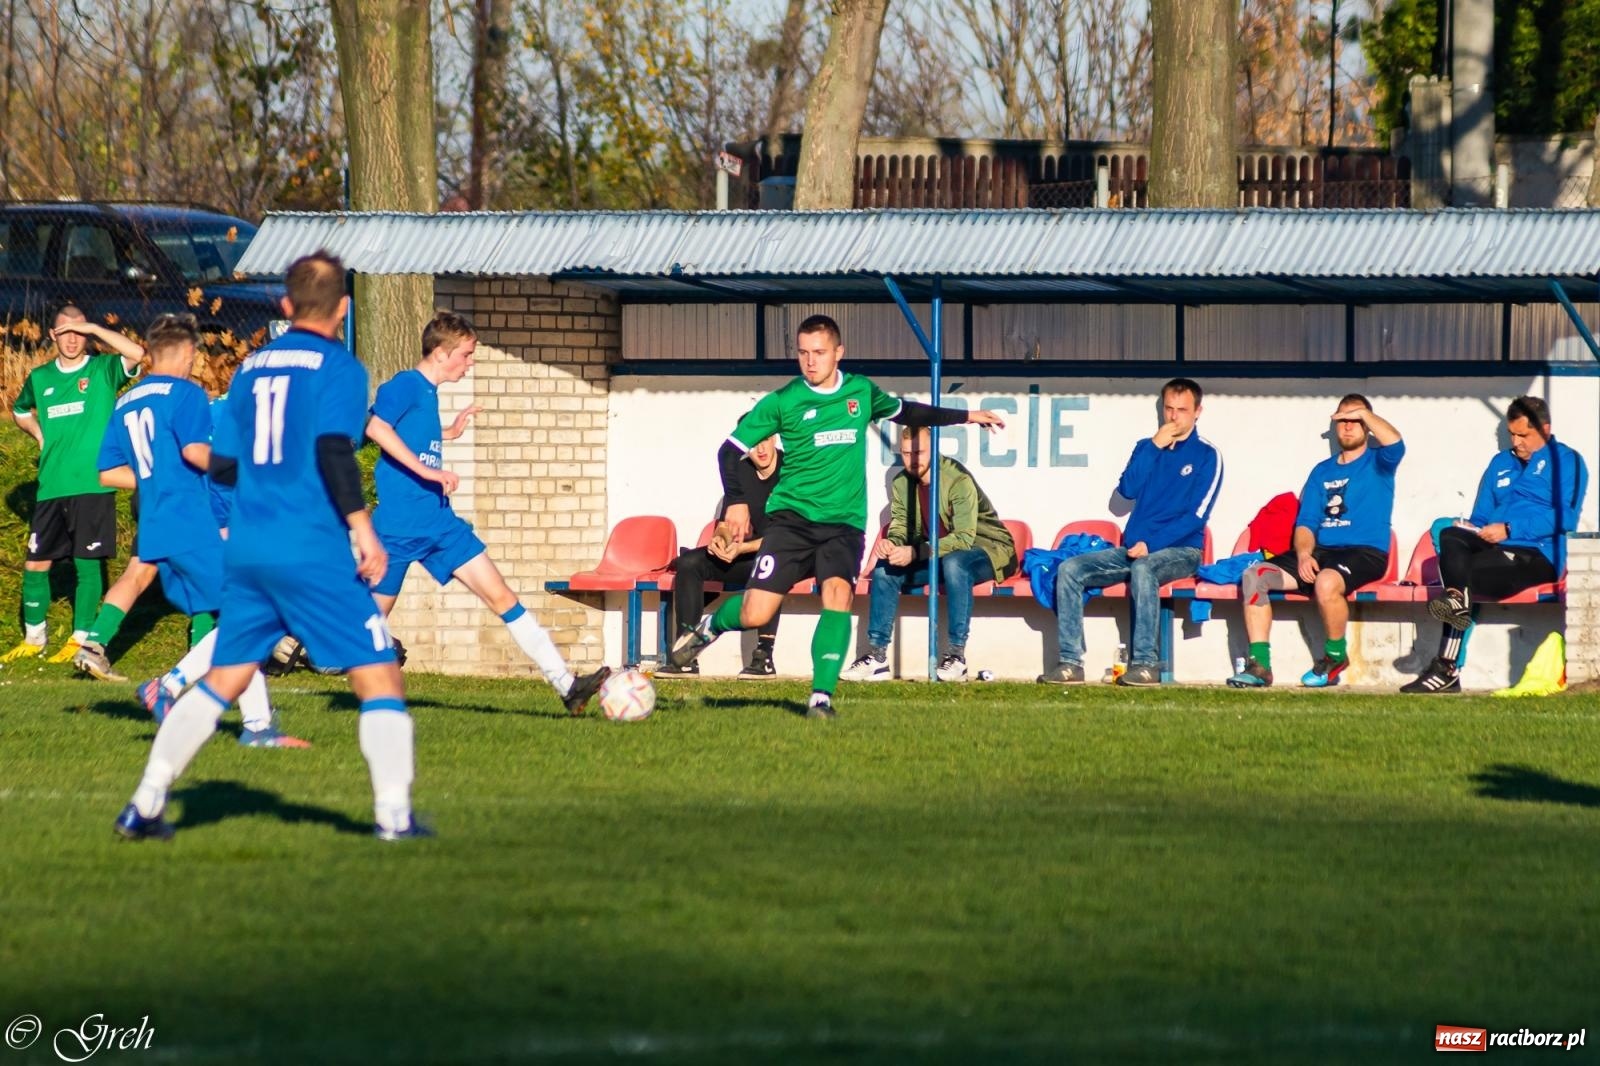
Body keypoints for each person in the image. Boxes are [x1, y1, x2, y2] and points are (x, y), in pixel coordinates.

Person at [114, 251, 423, 842]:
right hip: (310, 545)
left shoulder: (251, 368)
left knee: (222, 679)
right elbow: (335, 451)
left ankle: (145, 803)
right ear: (344, 307)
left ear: (284, 306)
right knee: (379, 674)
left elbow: (224, 465)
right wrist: (362, 527)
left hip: (249, 547)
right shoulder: (340, 367)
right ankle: (394, 819)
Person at [666, 314, 1005, 718]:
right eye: (803, 353)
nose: (810, 361)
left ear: (838, 353)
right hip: (790, 521)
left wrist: (967, 416)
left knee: (838, 597)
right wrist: (736, 500)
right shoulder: (783, 401)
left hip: (843, 525)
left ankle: (820, 697)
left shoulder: (861, 392)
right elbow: (728, 451)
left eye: (819, 353)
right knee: (756, 611)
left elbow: (909, 413)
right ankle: (709, 628)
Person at [363, 310, 609, 713]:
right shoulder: (406, 384)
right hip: (399, 527)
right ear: (441, 353)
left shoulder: (428, 393)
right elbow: (376, 428)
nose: (471, 361)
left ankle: (568, 686)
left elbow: (409, 432)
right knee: (370, 621)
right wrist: (428, 470)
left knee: (502, 597)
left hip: (440, 524)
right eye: (466, 353)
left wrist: (448, 433)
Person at [94, 314, 303, 746]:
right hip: (188, 522)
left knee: (243, 613)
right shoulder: (186, 393)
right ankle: (177, 690)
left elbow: (108, 473)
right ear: (188, 353)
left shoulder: (127, 401)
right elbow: (194, 452)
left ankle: (253, 724)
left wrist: (156, 480)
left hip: (154, 525)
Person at [1038, 378, 1221, 687]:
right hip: (1134, 548)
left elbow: (1198, 515)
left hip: (1181, 550)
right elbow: (1127, 489)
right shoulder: (1146, 447)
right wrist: (1154, 447)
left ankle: (1146, 664)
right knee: (1070, 569)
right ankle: (1070, 663)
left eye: (1183, 410)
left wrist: (1152, 544)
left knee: (1145, 568)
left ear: (1198, 411)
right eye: (1169, 409)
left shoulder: (1207, 454)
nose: (1174, 417)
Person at [1403, 396, 1587, 694]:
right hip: (1495, 548)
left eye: (1523, 435)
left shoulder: (1567, 461)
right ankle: (1453, 619)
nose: (1516, 442)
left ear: (1545, 429)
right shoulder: (1500, 463)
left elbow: (1566, 517)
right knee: (1450, 534)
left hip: (1537, 555)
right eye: (1512, 434)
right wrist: (1476, 530)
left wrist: (1510, 529)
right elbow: (1480, 516)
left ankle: (1445, 667)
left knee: (1459, 585)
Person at [1228, 394, 1404, 689]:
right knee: (1253, 576)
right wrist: (1304, 555)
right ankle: (1259, 666)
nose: (1348, 426)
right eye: (1343, 420)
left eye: (1356, 420)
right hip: (1321, 552)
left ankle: (1335, 656)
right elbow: (1306, 524)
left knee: (1325, 582)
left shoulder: (1379, 462)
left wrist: (1365, 413)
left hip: (1366, 552)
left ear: (1367, 426)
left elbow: (1397, 442)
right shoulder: (1322, 471)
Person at [4, 306, 144, 663]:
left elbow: (138, 354)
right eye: (65, 331)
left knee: (86, 563)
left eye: (79, 332)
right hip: (52, 485)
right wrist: (38, 434)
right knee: (36, 563)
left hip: (93, 485)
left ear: (87, 336)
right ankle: (35, 638)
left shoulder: (103, 370)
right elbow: (20, 410)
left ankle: (80, 638)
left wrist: (96, 326)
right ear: (52, 336)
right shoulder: (40, 377)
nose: (72, 338)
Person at [841, 425, 1017, 682]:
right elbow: (901, 523)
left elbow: (964, 538)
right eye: (906, 453)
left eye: (919, 452)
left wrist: (915, 552)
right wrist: (892, 543)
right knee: (884, 569)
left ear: (933, 449)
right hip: (938, 554)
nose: (913, 460)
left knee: (956, 564)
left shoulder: (957, 478)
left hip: (988, 549)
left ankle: (957, 658)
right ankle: (877, 658)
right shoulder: (902, 482)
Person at [656, 432, 784, 680]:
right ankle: (686, 654)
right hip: (745, 554)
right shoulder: (740, 471)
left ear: (775, 439)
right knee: (689, 563)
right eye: (753, 442)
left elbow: (785, 536)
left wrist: (742, 548)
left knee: (771, 562)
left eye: (765, 440)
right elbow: (726, 523)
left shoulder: (791, 471)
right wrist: (721, 540)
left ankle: (764, 657)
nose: (760, 449)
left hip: (784, 555)